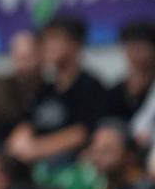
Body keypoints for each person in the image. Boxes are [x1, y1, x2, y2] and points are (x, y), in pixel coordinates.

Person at [7, 16, 107, 167]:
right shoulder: (45, 89)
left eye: (55, 39)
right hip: (34, 162)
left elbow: (81, 133)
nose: (48, 45)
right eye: (45, 40)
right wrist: (19, 142)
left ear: (76, 44)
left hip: (69, 164)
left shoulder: (91, 86)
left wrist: (37, 149)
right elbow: (25, 124)